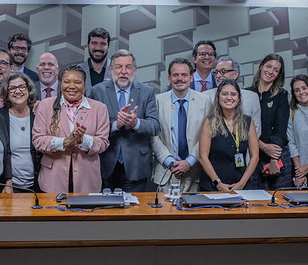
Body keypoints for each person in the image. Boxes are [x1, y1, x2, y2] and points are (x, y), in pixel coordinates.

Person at [88, 50, 161, 192]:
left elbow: (155, 126)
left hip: (136, 166)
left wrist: (136, 123)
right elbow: (91, 129)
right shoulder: (97, 91)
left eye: (128, 67)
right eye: (118, 67)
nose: (123, 71)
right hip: (105, 165)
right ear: (110, 69)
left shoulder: (147, 92)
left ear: (134, 69)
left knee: (134, 213)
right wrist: (116, 125)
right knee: (104, 211)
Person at [33, 65, 110, 193]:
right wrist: (64, 142)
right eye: (67, 81)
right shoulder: (46, 106)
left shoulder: (99, 108)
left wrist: (82, 140)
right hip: (52, 179)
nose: (72, 86)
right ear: (61, 84)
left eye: (77, 82)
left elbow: (103, 143)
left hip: (87, 179)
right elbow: (38, 140)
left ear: (85, 85)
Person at [151, 59, 210, 193]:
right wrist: (169, 161)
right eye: (175, 75)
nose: (179, 79)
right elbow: (153, 136)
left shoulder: (205, 101)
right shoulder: (157, 101)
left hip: (196, 173)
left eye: (184, 75)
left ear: (191, 78)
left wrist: (189, 161)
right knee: (164, 213)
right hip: (166, 172)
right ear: (169, 78)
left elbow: (208, 135)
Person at [198, 80, 260, 192]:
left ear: (239, 98)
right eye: (225, 94)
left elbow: (255, 156)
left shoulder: (248, 121)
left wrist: (242, 183)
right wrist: (218, 183)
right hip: (213, 186)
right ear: (218, 97)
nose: (229, 97)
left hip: (241, 185)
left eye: (233, 94)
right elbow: (203, 158)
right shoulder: (209, 122)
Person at [247, 54, 291, 190]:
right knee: (253, 202)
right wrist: (262, 146)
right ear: (261, 67)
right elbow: (243, 125)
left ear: (279, 74)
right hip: (252, 154)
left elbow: (280, 128)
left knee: (277, 202)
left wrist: (274, 159)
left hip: (275, 157)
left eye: (276, 70)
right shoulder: (246, 93)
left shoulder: (281, 95)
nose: (271, 72)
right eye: (268, 66)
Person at [0, 73, 42, 192]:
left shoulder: (39, 113)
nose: (18, 91)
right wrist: (7, 180)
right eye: (12, 88)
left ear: (29, 89)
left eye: (22, 87)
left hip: (38, 184)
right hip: (10, 186)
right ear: (6, 92)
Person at [202, 56, 261, 133]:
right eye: (216, 72)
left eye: (223, 71)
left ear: (235, 74)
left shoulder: (252, 97)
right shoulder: (204, 96)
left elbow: (256, 130)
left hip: (245, 143)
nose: (218, 76)